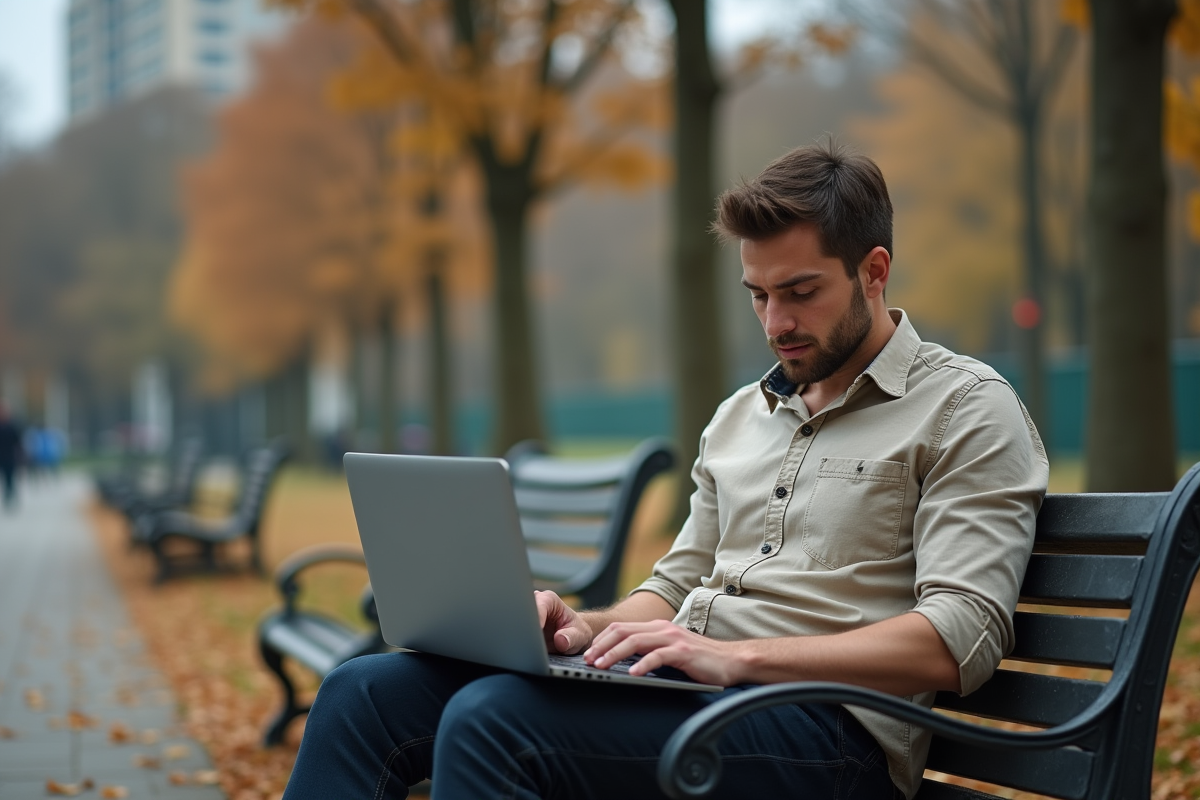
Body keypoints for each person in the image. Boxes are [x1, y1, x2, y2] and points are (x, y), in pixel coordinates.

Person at [281, 141, 1049, 800]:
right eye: (757, 295)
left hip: (833, 739)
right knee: (364, 695)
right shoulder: (739, 417)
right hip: (686, 693)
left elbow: (959, 640)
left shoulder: (965, 409)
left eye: (801, 293)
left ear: (874, 271)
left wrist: (736, 658)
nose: (776, 322)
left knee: (494, 724)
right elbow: (675, 589)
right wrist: (587, 628)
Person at [0, 403, 24, 510]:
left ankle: (9, 496)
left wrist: (20, 457)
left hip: (9, 457)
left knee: (9, 479)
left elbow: (18, 442)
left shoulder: (12, 426)